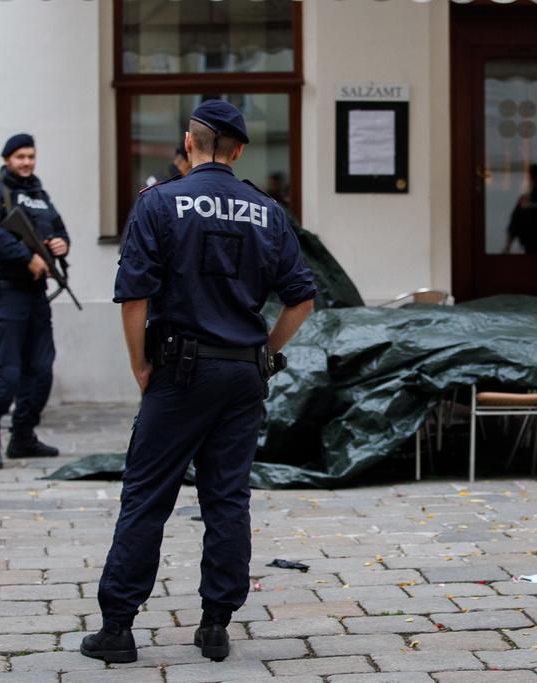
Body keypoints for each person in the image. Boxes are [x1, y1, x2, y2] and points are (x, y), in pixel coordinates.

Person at [81, 100, 316, 664]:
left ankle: (117, 630)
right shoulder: (268, 211)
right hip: (241, 373)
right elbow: (301, 297)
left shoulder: (159, 202)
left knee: (147, 495)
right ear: (239, 150)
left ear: (189, 144)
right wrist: (265, 352)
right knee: (227, 498)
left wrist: (140, 364)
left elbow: (134, 296)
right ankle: (215, 624)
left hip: (179, 370)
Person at [0, 133, 70, 470]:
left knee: (40, 370)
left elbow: (58, 230)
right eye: (20, 157)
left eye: (31, 156)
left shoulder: (39, 194)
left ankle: (23, 436)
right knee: (3, 372)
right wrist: (27, 258)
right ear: (7, 159)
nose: (26, 162)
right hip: (6, 293)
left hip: (36, 295)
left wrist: (61, 245)